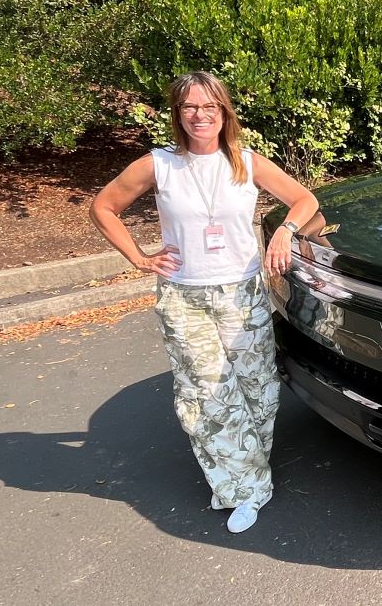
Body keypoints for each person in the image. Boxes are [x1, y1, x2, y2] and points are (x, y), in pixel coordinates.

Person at [90, 71, 318, 533]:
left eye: (209, 107)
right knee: (207, 395)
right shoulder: (159, 164)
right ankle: (246, 488)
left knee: (257, 390)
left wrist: (283, 233)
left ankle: (246, 466)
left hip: (243, 291)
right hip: (184, 295)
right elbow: (103, 207)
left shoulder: (247, 162)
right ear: (178, 113)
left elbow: (304, 199)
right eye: (190, 107)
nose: (200, 115)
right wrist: (137, 256)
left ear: (223, 113)